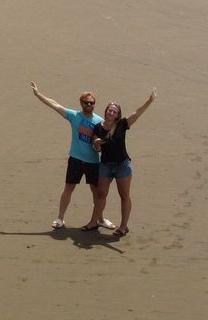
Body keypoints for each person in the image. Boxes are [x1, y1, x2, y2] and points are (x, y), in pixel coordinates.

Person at [29, 82, 110, 230]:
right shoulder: (74, 116)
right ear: (81, 103)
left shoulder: (99, 121)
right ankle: (60, 218)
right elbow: (55, 105)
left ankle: (100, 218)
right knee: (68, 188)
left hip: (93, 162)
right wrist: (38, 94)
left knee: (97, 192)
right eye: (86, 102)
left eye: (92, 103)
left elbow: (109, 136)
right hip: (76, 160)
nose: (89, 105)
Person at [85, 89, 156, 236]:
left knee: (124, 196)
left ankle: (123, 226)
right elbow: (96, 147)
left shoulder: (122, 124)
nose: (111, 113)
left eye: (114, 112)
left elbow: (136, 114)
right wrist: (97, 143)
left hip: (122, 165)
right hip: (105, 165)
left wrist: (149, 101)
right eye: (110, 110)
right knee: (100, 194)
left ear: (118, 115)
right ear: (106, 112)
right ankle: (94, 222)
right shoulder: (98, 127)